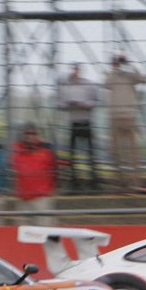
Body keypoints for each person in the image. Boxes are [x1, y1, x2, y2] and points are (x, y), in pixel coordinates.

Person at [104, 53, 146, 190]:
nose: (118, 63)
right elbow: (106, 84)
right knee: (115, 150)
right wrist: (115, 68)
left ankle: (135, 181)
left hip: (129, 115)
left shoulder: (130, 76)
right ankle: (119, 180)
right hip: (115, 116)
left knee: (132, 151)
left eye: (119, 61)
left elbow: (142, 79)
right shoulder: (113, 75)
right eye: (116, 61)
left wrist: (128, 64)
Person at [58, 63, 101, 193]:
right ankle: (74, 182)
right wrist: (67, 104)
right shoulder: (65, 86)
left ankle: (94, 182)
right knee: (73, 155)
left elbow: (99, 101)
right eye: (73, 69)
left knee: (91, 154)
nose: (75, 71)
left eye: (77, 69)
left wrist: (87, 104)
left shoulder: (88, 84)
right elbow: (58, 103)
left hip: (86, 121)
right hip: (74, 122)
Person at [10, 124, 58, 226]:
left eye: (33, 134)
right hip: (23, 200)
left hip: (41, 199)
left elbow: (55, 171)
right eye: (27, 133)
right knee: (22, 231)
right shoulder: (16, 150)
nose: (30, 136)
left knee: (45, 230)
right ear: (22, 135)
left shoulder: (46, 151)